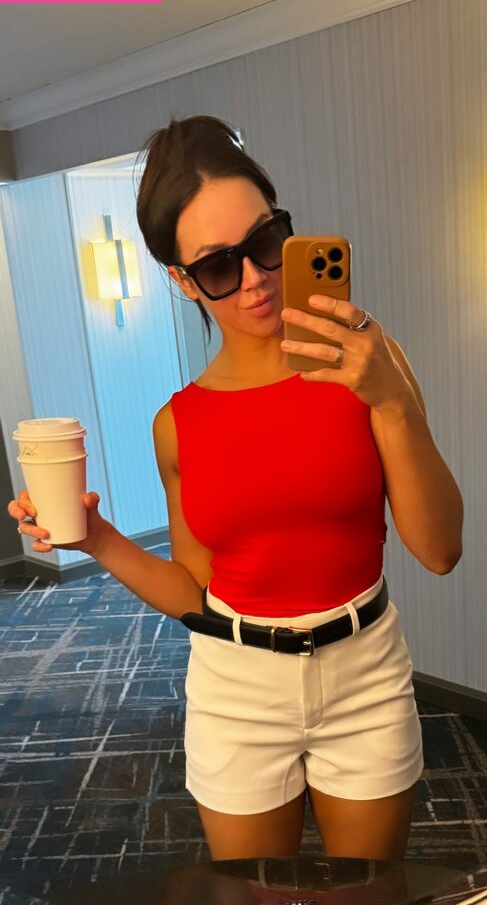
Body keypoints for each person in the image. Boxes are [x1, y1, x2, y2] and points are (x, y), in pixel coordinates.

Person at [7, 115, 463, 863]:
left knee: (369, 901)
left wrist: (391, 402)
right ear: (182, 281)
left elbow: (440, 550)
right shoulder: (177, 424)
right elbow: (196, 591)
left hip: (365, 672)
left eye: (264, 242)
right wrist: (96, 540)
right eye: (219, 266)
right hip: (236, 688)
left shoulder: (371, 367)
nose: (254, 278)